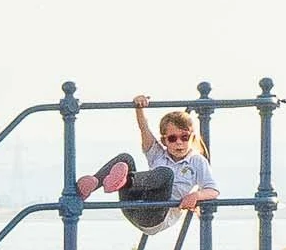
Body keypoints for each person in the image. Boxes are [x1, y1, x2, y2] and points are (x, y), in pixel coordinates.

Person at [77, 95, 220, 233]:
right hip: (132, 207)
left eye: (184, 137)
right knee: (125, 158)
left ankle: (126, 180)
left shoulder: (197, 161)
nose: (179, 142)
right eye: (172, 138)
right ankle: (94, 183)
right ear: (164, 141)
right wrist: (139, 108)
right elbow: (144, 128)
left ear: (192, 137)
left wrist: (196, 195)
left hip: (156, 216)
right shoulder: (157, 154)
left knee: (165, 173)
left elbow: (213, 190)